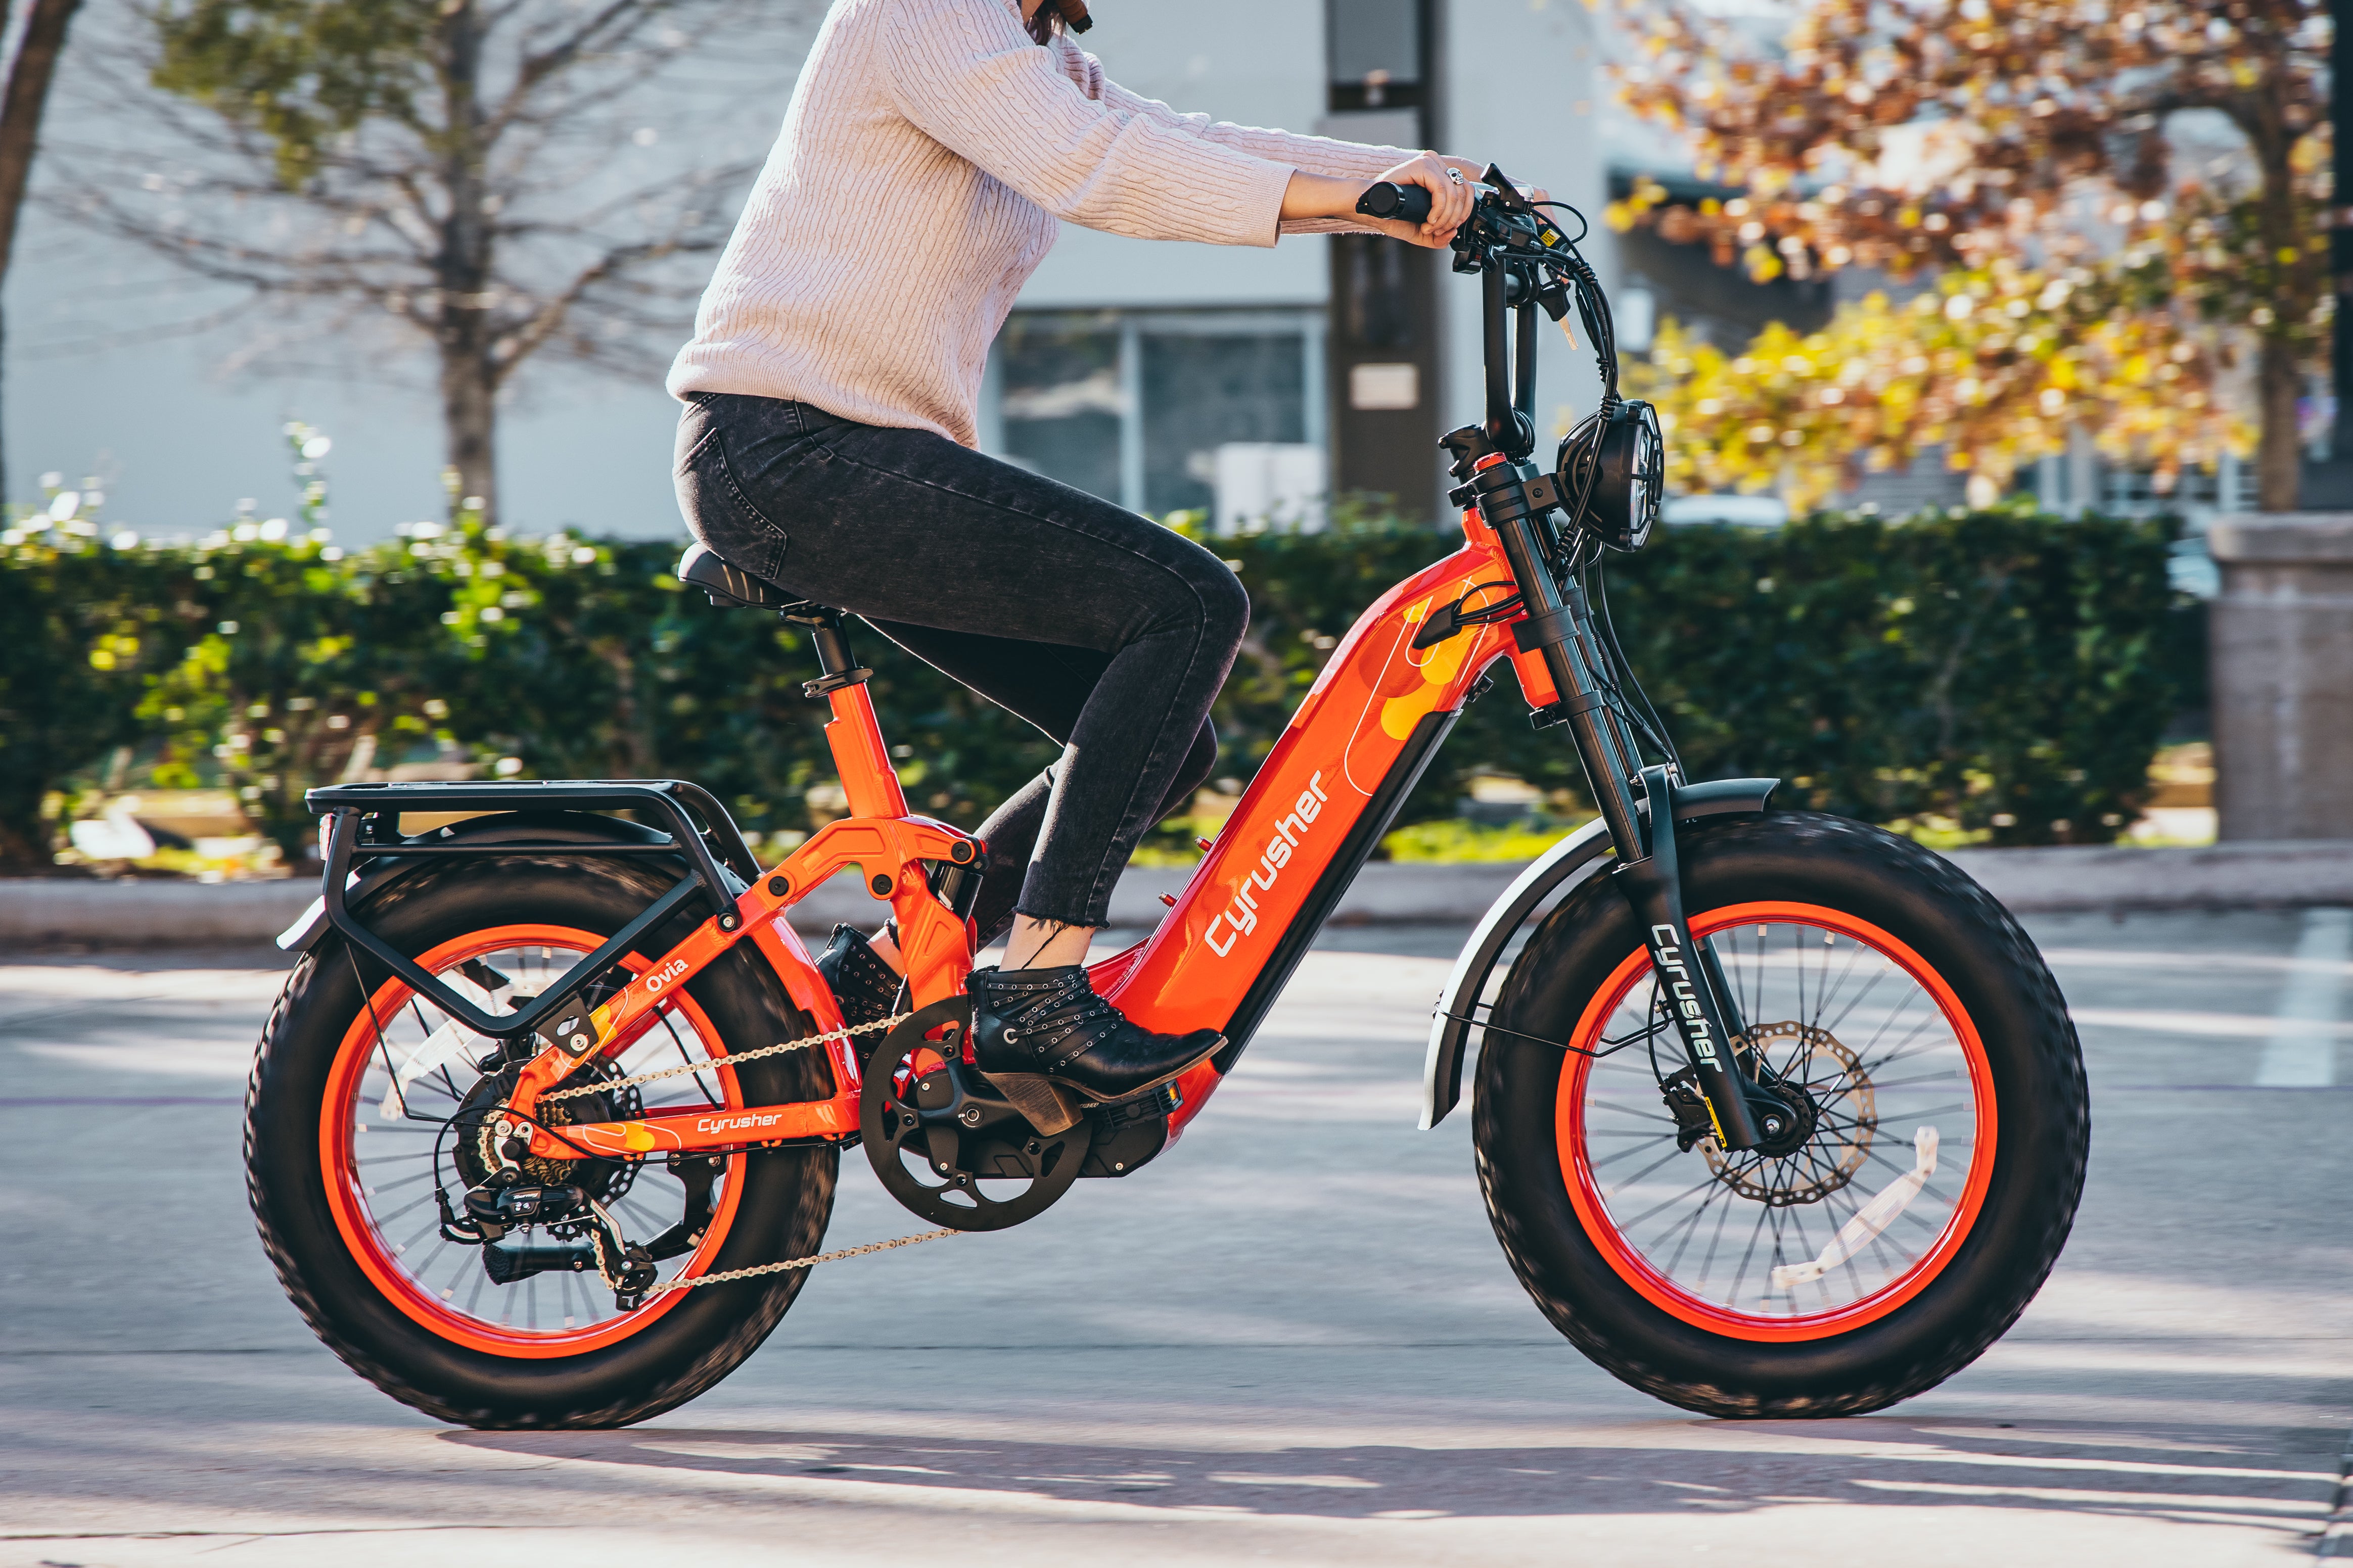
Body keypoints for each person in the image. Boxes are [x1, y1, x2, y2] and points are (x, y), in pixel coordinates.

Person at [669, 0, 1486, 1133]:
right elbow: (1096, 167)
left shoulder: (1033, 55)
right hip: (788, 451)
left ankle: (884, 981)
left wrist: (1426, 182)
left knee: (1167, 742)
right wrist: (1365, 200)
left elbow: (1181, 139)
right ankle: (1039, 990)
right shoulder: (921, 10)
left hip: (850, 456)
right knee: (1187, 603)